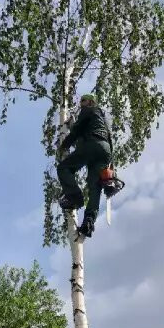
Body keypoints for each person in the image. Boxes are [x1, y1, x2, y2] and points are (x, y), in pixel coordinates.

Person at [57, 92, 113, 238]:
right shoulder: (103, 119)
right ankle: (89, 222)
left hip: (92, 144)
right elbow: (108, 141)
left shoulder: (89, 110)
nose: (81, 103)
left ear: (90, 102)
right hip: (105, 151)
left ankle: (75, 197)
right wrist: (110, 169)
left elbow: (77, 131)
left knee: (64, 168)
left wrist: (63, 146)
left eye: (83, 100)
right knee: (95, 187)